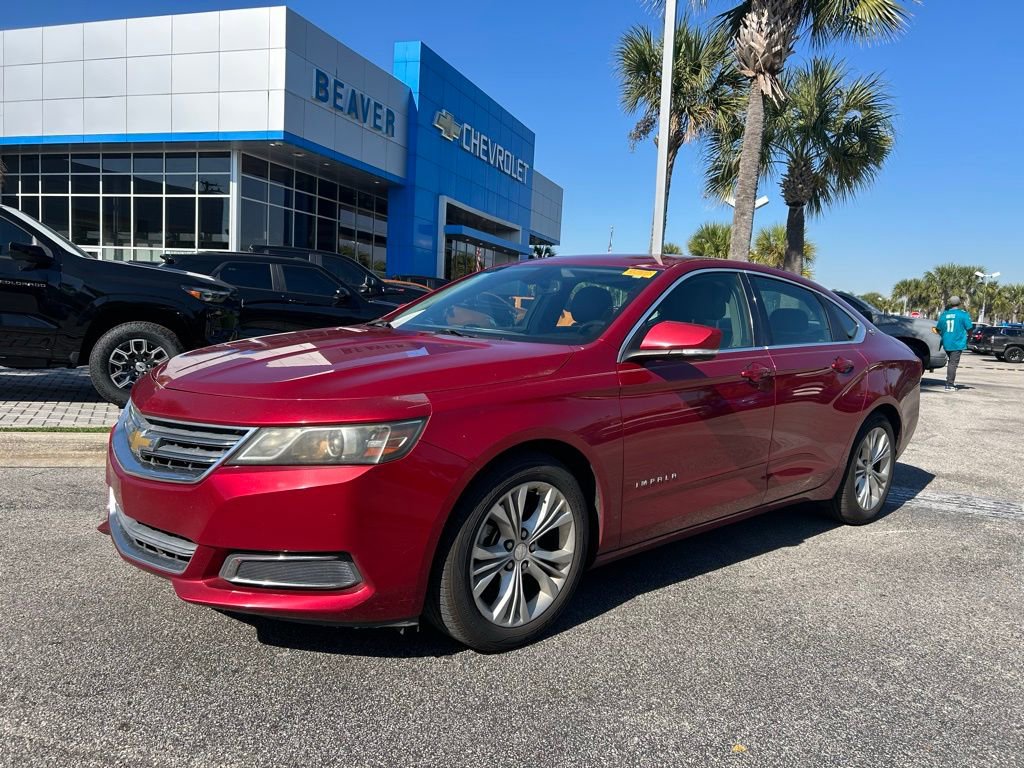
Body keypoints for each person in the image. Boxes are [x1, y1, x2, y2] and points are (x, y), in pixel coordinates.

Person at [935, 296, 973, 392]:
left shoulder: (944, 315)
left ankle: (950, 382)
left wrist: (944, 335)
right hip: (957, 342)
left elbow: (938, 329)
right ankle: (949, 384)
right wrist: (969, 337)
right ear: (959, 303)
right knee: (953, 364)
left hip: (946, 342)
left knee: (951, 363)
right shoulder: (963, 314)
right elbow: (969, 328)